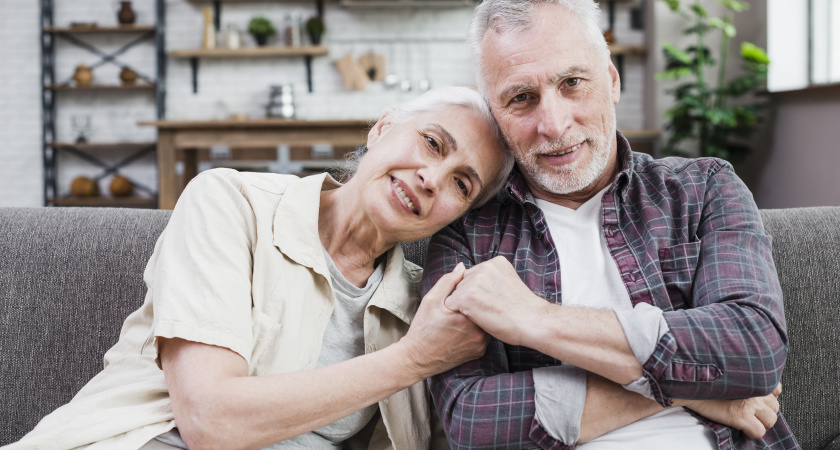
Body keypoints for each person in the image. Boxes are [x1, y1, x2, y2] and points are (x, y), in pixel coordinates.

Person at [4, 86, 514, 450]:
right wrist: (412, 359)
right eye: (431, 142)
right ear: (382, 128)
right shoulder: (230, 203)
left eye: (461, 185)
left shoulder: (422, 309)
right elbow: (209, 423)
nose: (431, 177)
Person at [421, 1, 798, 449]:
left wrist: (535, 319)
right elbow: (470, 418)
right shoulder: (467, 232)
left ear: (612, 81)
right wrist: (693, 390)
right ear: (494, 115)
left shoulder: (703, 188)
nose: (554, 124)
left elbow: (753, 348)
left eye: (572, 83)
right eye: (521, 98)